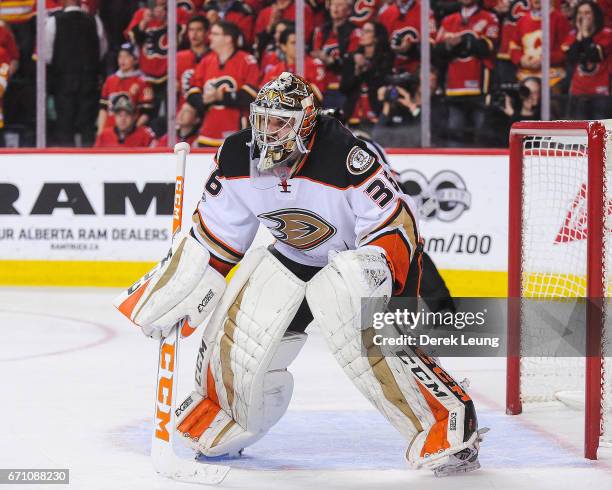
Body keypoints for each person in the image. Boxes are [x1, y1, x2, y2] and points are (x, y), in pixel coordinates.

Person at [115, 71, 484, 478]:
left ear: (306, 122)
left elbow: (396, 222)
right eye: (262, 119)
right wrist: (185, 278)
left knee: (347, 303)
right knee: (242, 322)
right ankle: (225, 411)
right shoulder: (237, 155)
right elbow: (216, 237)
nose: (267, 131)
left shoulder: (344, 153)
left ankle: (446, 419)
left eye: (280, 122)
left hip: (357, 260)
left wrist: (377, 270)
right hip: (296, 255)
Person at [433, 0, 499, 146]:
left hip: (480, 88)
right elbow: (436, 52)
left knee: (481, 137)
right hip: (454, 88)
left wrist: (464, 41)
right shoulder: (448, 20)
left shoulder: (489, 18)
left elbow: (488, 48)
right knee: (455, 138)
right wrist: (449, 46)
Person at [186, 20, 259, 146]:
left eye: (215, 34)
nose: (210, 37)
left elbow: (251, 97)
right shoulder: (206, 61)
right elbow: (192, 93)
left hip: (237, 134)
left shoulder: (247, 61)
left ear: (228, 39)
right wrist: (203, 100)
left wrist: (221, 96)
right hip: (207, 134)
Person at [46, 0, 106, 146]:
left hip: (63, 83)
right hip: (88, 82)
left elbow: (47, 55)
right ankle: (90, 162)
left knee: (65, 128)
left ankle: (68, 162)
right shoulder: (94, 20)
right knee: (87, 127)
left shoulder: (53, 22)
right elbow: (102, 49)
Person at [563, 0, 612, 119]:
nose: (583, 17)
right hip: (578, 92)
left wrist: (585, 34)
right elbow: (571, 59)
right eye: (580, 13)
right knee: (578, 133)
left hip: (600, 93)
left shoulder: (606, 34)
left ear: (595, 14)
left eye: (587, 13)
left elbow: (595, 56)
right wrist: (580, 35)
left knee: (600, 133)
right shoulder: (572, 35)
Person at [339, 21, 394, 125]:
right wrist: (357, 72)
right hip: (352, 113)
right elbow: (343, 88)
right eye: (362, 31)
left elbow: (382, 82)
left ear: (377, 37)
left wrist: (367, 67)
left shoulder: (386, 57)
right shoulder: (352, 59)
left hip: (376, 111)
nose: (362, 34)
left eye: (367, 31)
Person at [311, 0, 361, 107]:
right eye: (333, 4)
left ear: (348, 10)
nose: (335, 8)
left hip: (343, 88)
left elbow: (350, 62)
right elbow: (316, 55)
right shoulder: (322, 30)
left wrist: (330, 61)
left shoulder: (354, 32)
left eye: (339, 5)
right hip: (321, 86)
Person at [97, 43, 154, 136]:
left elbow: (145, 114)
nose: (122, 60)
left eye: (127, 56)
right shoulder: (110, 80)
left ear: (135, 60)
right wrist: (100, 132)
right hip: (110, 133)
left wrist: (131, 132)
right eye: (120, 56)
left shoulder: (143, 82)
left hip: (131, 135)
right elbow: (103, 109)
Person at [263, 26, 326, 97]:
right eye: (293, 43)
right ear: (283, 47)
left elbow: (319, 96)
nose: (298, 46)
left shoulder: (315, 65)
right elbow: (264, 97)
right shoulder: (274, 71)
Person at [378, 0, 436, 74]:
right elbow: (380, 48)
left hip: (418, 71)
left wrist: (411, 48)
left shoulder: (425, 12)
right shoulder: (385, 14)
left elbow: (432, 47)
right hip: (392, 70)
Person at [177, 15, 209, 110]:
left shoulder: (214, 57)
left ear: (207, 32)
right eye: (191, 30)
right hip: (184, 112)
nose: (194, 34)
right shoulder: (179, 57)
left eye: (199, 30)